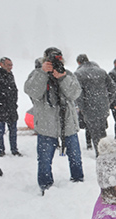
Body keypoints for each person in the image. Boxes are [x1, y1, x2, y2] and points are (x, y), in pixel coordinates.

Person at [24, 47, 84, 194]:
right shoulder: (37, 74)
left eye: (58, 59)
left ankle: (78, 183)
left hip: (67, 123)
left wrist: (62, 77)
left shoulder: (67, 74)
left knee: (75, 157)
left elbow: (75, 93)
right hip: (46, 125)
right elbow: (32, 92)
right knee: (44, 160)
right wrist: (42, 73)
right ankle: (45, 186)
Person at [74, 54, 116, 157]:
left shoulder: (78, 73)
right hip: (102, 107)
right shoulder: (101, 71)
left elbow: (78, 93)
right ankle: (106, 152)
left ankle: (100, 155)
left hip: (89, 108)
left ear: (79, 62)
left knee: (94, 132)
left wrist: (81, 107)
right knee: (102, 130)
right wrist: (107, 101)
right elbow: (112, 87)